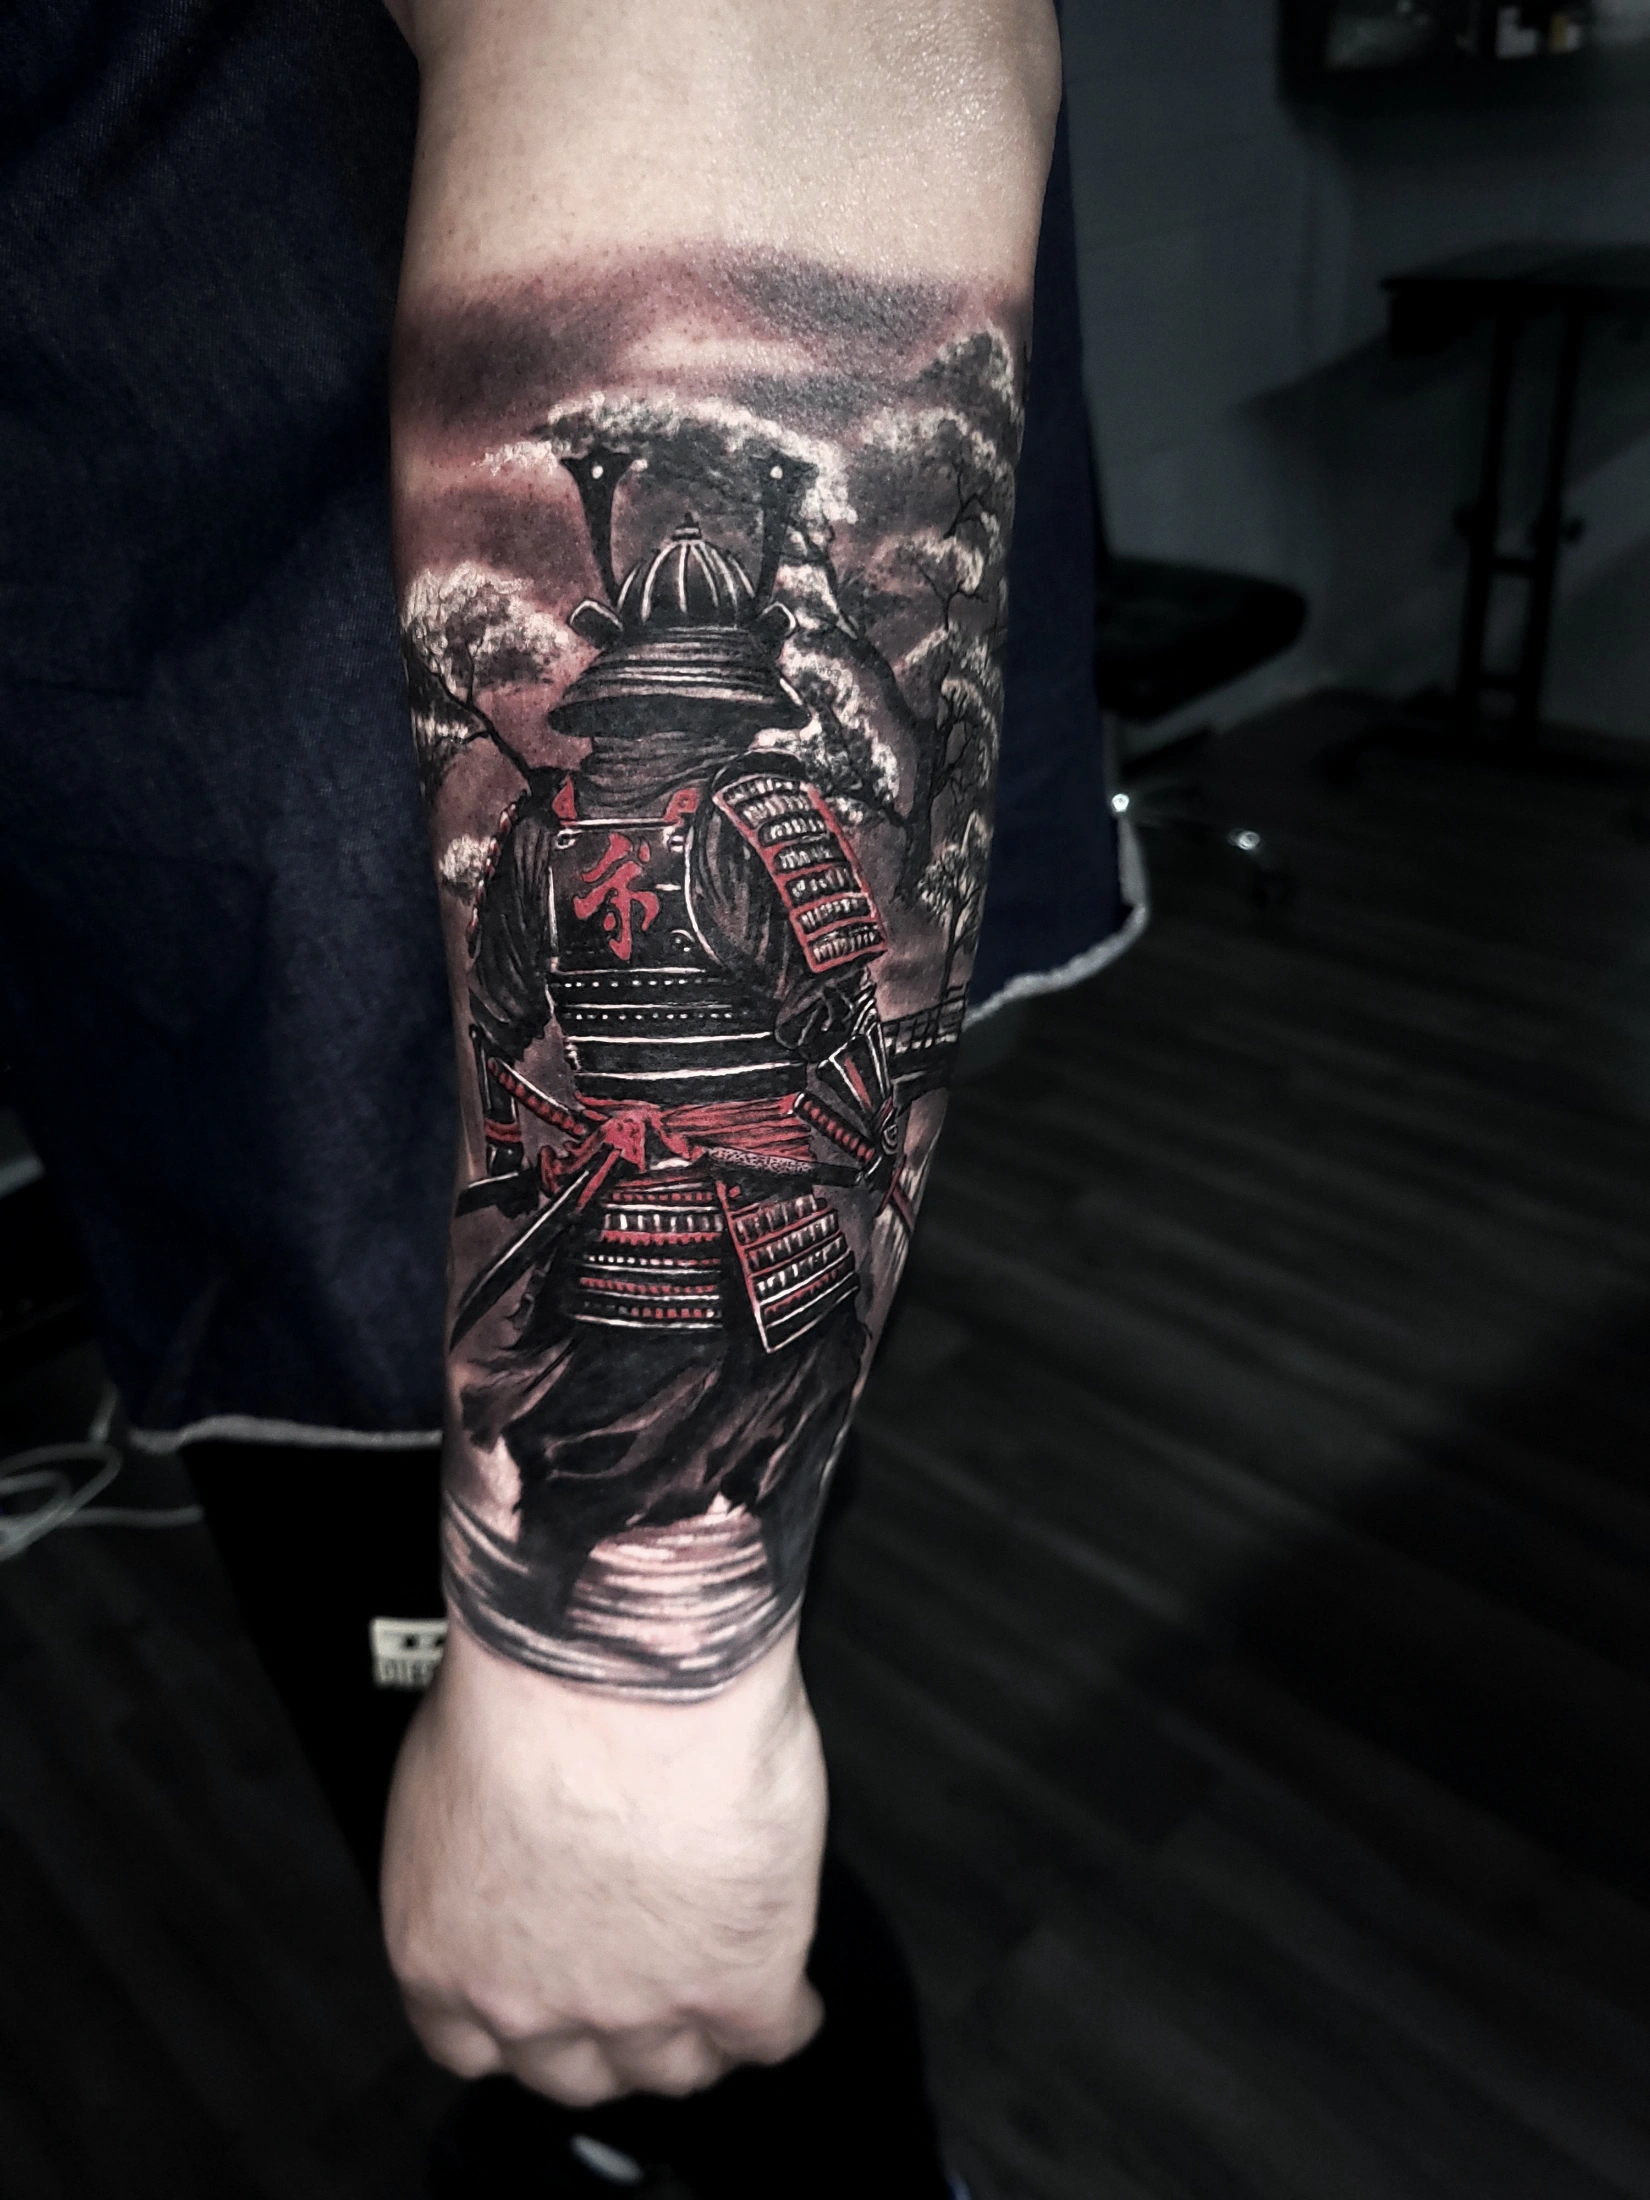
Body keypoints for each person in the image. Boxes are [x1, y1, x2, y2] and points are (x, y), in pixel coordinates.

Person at [0, 1, 1136, 2191]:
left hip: (415, 1135)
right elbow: (564, 969)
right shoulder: (573, 810)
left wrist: (617, 1719)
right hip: (263, 1019)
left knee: (636, 1921)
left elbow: (771, 42)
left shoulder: (746, 804)